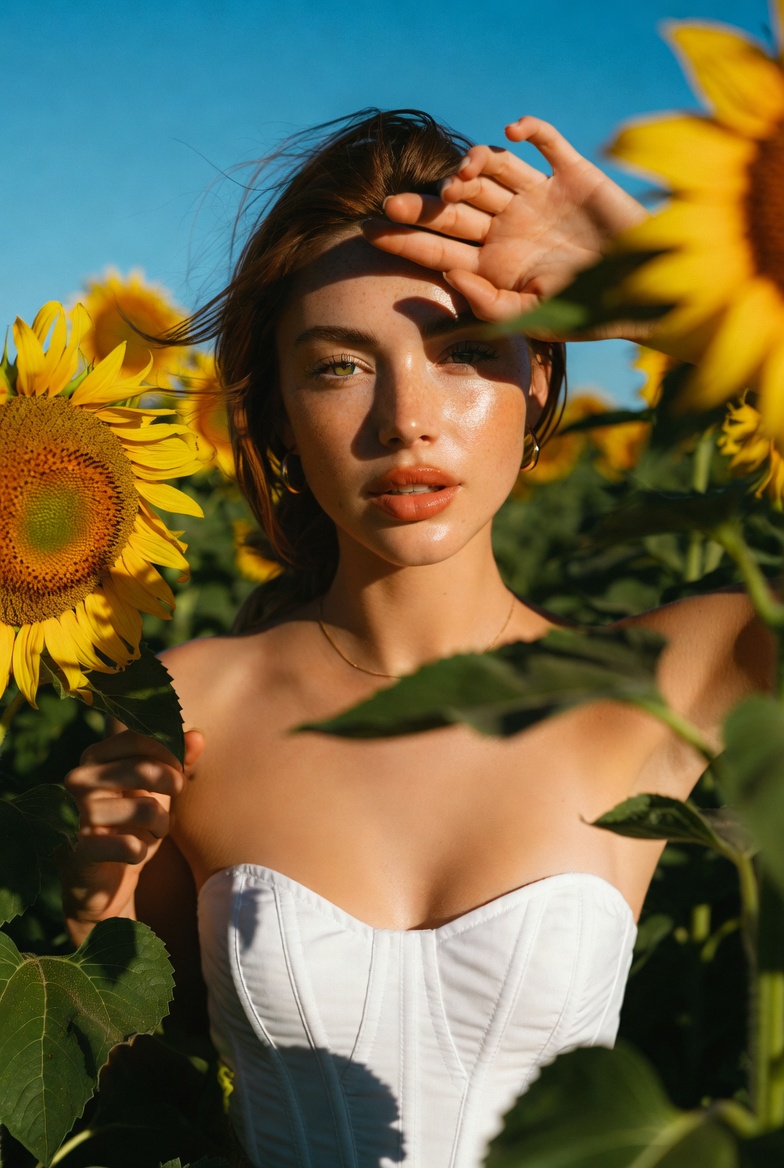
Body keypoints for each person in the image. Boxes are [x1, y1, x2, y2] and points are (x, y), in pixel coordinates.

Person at [58, 109, 773, 1168]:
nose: (406, 417)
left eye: (464, 351)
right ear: (277, 418)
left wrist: (661, 289)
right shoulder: (181, 706)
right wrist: (91, 912)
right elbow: (142, 1099)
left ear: (539, 379)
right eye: (339, 366)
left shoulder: (659, 682)